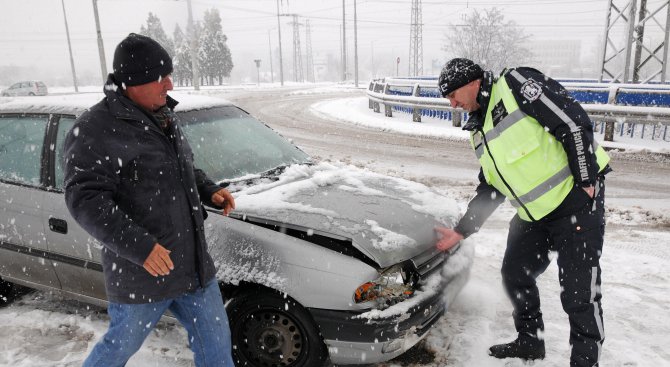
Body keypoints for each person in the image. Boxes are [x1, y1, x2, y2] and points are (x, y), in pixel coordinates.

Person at [63, 33, 236, 366]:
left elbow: (180, 167)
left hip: (192, 267)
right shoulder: (96, 129)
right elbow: (84, 200)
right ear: (132, 82)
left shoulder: (162, 116)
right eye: (161, 77)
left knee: (216, 348)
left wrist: (208, 189)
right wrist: (141, 247)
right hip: (142, 274)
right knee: (118, 349)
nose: (169, 84)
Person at [434, 58, 611, 367]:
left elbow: (571, 121)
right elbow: (492, 187)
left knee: (579, 294)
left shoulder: (516, 85)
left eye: (452, 95)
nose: (452, 103)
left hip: (576, 202)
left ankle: (586, 361)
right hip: (534, 215)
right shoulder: (479, 129)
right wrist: (462, 229)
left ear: (472, 82)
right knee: (515, 275)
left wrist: (586, 179)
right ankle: (531, 341)